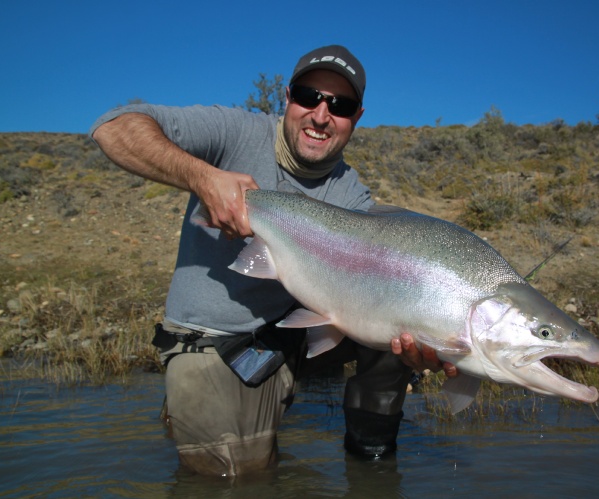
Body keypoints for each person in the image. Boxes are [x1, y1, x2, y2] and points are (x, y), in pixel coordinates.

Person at [90, 44, 455, 477]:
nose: (321, 115)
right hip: (217, 338)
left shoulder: (350, 194)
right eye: (308, 96)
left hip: (291, 336)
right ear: (287, 97)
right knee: (235, 478)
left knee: (397, 331)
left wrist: (430, 338)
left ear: (356, 117)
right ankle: (193, 402)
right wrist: (203, 178)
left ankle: (371, 460)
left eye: (340, 105)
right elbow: (112, 128)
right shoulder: (234, 131)